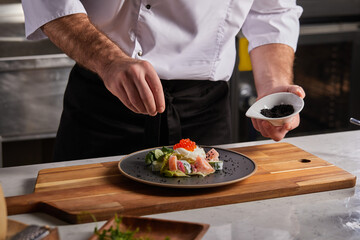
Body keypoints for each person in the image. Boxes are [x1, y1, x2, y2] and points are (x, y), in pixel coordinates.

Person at [21, 0, 306, 161]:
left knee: (206, 222)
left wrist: (273, 90)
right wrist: (108, 60)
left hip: (204, 113)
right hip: (103, 104)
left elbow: (272, 10)